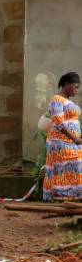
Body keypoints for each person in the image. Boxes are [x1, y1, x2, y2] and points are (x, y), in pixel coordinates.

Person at [43, 72, 82, 201]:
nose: (77, 90)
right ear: (66, 84)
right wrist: (75, 138)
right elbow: (59, 123)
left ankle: (73, 197)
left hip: (73, 142)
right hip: (60, 143)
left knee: (76, 167)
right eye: (75, 87)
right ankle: (58, 196)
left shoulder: (68, 101)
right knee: (62, 169)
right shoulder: (56, 99)